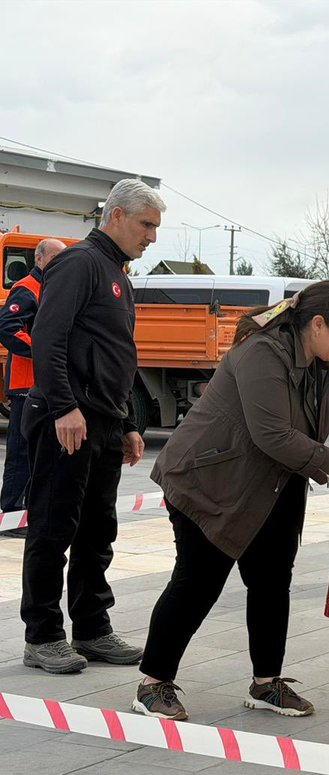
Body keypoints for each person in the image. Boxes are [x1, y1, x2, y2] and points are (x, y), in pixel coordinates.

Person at [132, 281, 329, 721]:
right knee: (198, 582)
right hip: (210, 479)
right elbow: (271, 433)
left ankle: (266, 683)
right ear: (317, 324)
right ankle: (152, 685)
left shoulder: (328, 365)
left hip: (275, 483)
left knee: (271, 584)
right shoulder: (260, 353)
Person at [20, 180, 163, 675]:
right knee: (54, 527)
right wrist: (63, 407)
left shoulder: (114, 272)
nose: (152, 238)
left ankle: (92, 629)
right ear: (118, 216)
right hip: (68, 420)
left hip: (100, 422)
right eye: (147, 225)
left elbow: (113, 354)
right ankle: (42, 636)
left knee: (97, 530)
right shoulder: (80, 263)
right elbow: (47, 337)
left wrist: (124, 422)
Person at [0, 238, 66, 529]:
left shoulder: (53, 288)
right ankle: (12, 513)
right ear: (40, 259)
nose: (60, 263)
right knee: (20, 451)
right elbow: (7, 329)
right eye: (56, 257)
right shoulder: (27, 288)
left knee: (39, 452)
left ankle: (26, 512)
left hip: (43, 384)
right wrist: (42, 351)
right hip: (26, 384)